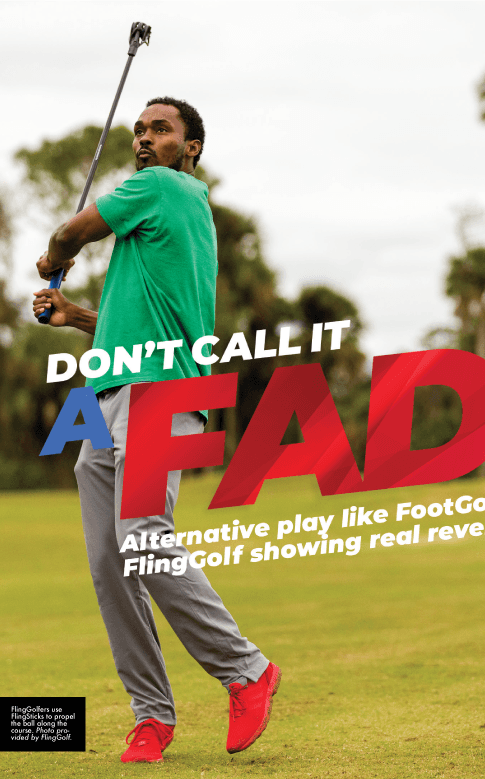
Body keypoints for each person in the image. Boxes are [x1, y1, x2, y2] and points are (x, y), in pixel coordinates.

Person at [32, 97, 280, 764]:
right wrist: (75, 312)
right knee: (110, 563)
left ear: (190, 147)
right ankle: (152, 716)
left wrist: (53, 257)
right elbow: (126, 319)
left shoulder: (166, 187)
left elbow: (74, 229)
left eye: (160, 129)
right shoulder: (157, 225)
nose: (144, 139)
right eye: (139, 130)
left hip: (161, 389)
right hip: (113, 390)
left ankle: (247, 669)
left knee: (140, 536)